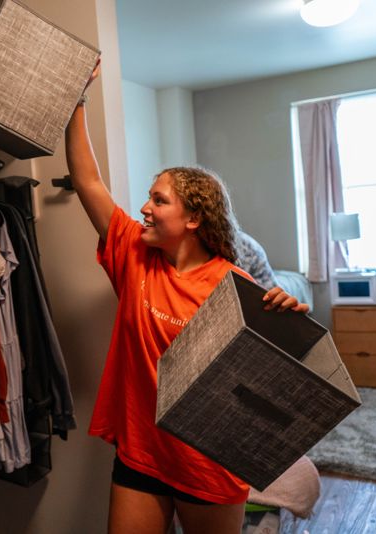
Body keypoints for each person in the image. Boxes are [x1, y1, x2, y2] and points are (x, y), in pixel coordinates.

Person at [65, 62, 309, 534]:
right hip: (141, 453)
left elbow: (270, 382)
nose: (144, 208)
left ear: (194, 218)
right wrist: (76, 102)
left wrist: (289, 319)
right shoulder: (132, 253)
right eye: (148, 198)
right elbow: (87, 183)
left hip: (209, 463)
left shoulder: (233, 284)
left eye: (158, 200)